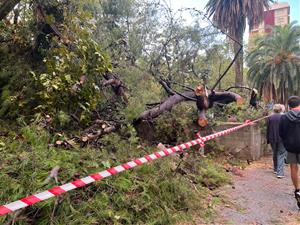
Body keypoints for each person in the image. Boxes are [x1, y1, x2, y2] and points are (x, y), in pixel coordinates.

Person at [279, 96, 300, 208]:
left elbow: (281, 133)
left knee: (293, 168)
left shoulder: (284, 117)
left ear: (289, 105)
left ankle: (297, 190)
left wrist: (287, 143)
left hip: (291, 147)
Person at [267, 104, 286, 178]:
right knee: (281, 154)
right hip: (282, 138)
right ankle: (280, 173)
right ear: (281, 109)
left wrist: (268, 139)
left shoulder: (270, 117)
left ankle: (275, 169)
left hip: (272, 138)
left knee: (275, 153)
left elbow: (268, 129)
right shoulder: (284, 117)